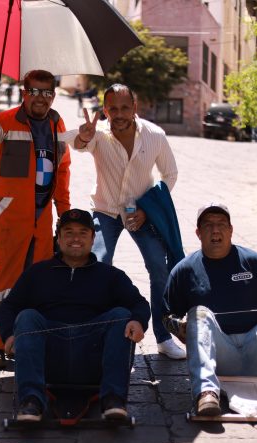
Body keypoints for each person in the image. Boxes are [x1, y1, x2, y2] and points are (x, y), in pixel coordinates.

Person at [0, 209, 150, 421]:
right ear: (58, 238)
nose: (76, 238)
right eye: (68, 232)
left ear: (92, 238)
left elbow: (139, 303)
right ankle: (31, 401)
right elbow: (8, 306)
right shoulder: (38, 273)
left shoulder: (110, 275)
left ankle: (113, 399)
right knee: (27, 316)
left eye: (83, 233)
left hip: (92, 356)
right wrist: (8, 335)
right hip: (49, 359)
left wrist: (138, 321)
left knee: (122, 315)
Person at [73, 83, 185, 360]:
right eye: (113, 109)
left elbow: (169, 173)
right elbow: (75, 143)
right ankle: (96, 333)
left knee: (160, 267)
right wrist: (82, 138)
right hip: (105, 210)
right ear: (105, 110)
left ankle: (163, 335)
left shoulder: (154, 135)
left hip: (141, 212)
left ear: (135, 108)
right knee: (97, 264)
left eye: (125, 107)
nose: (119, 114)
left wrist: (150, 208)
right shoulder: (97, 134)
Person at [162, 203, 257, 417]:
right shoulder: (184, 270)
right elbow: (166, 315)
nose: (215, 231)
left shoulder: (253, 262)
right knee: (198, 313)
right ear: (198, 233)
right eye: (208, 225)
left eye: (221, 224)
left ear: (231, 230)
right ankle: (205, 392)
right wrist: (179, 328)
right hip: (218, 356)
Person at [0, 69, 71, 369]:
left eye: (47, 92)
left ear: (53, 94)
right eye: (34, 92)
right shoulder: (2, 121)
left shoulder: (57, 123)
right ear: (24, 93)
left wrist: (64, 212)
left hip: (42, 217)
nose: (41, 98)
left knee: (39, 283)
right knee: (2, 283)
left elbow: (62, 169)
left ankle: (28, 340)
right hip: (9, 218)